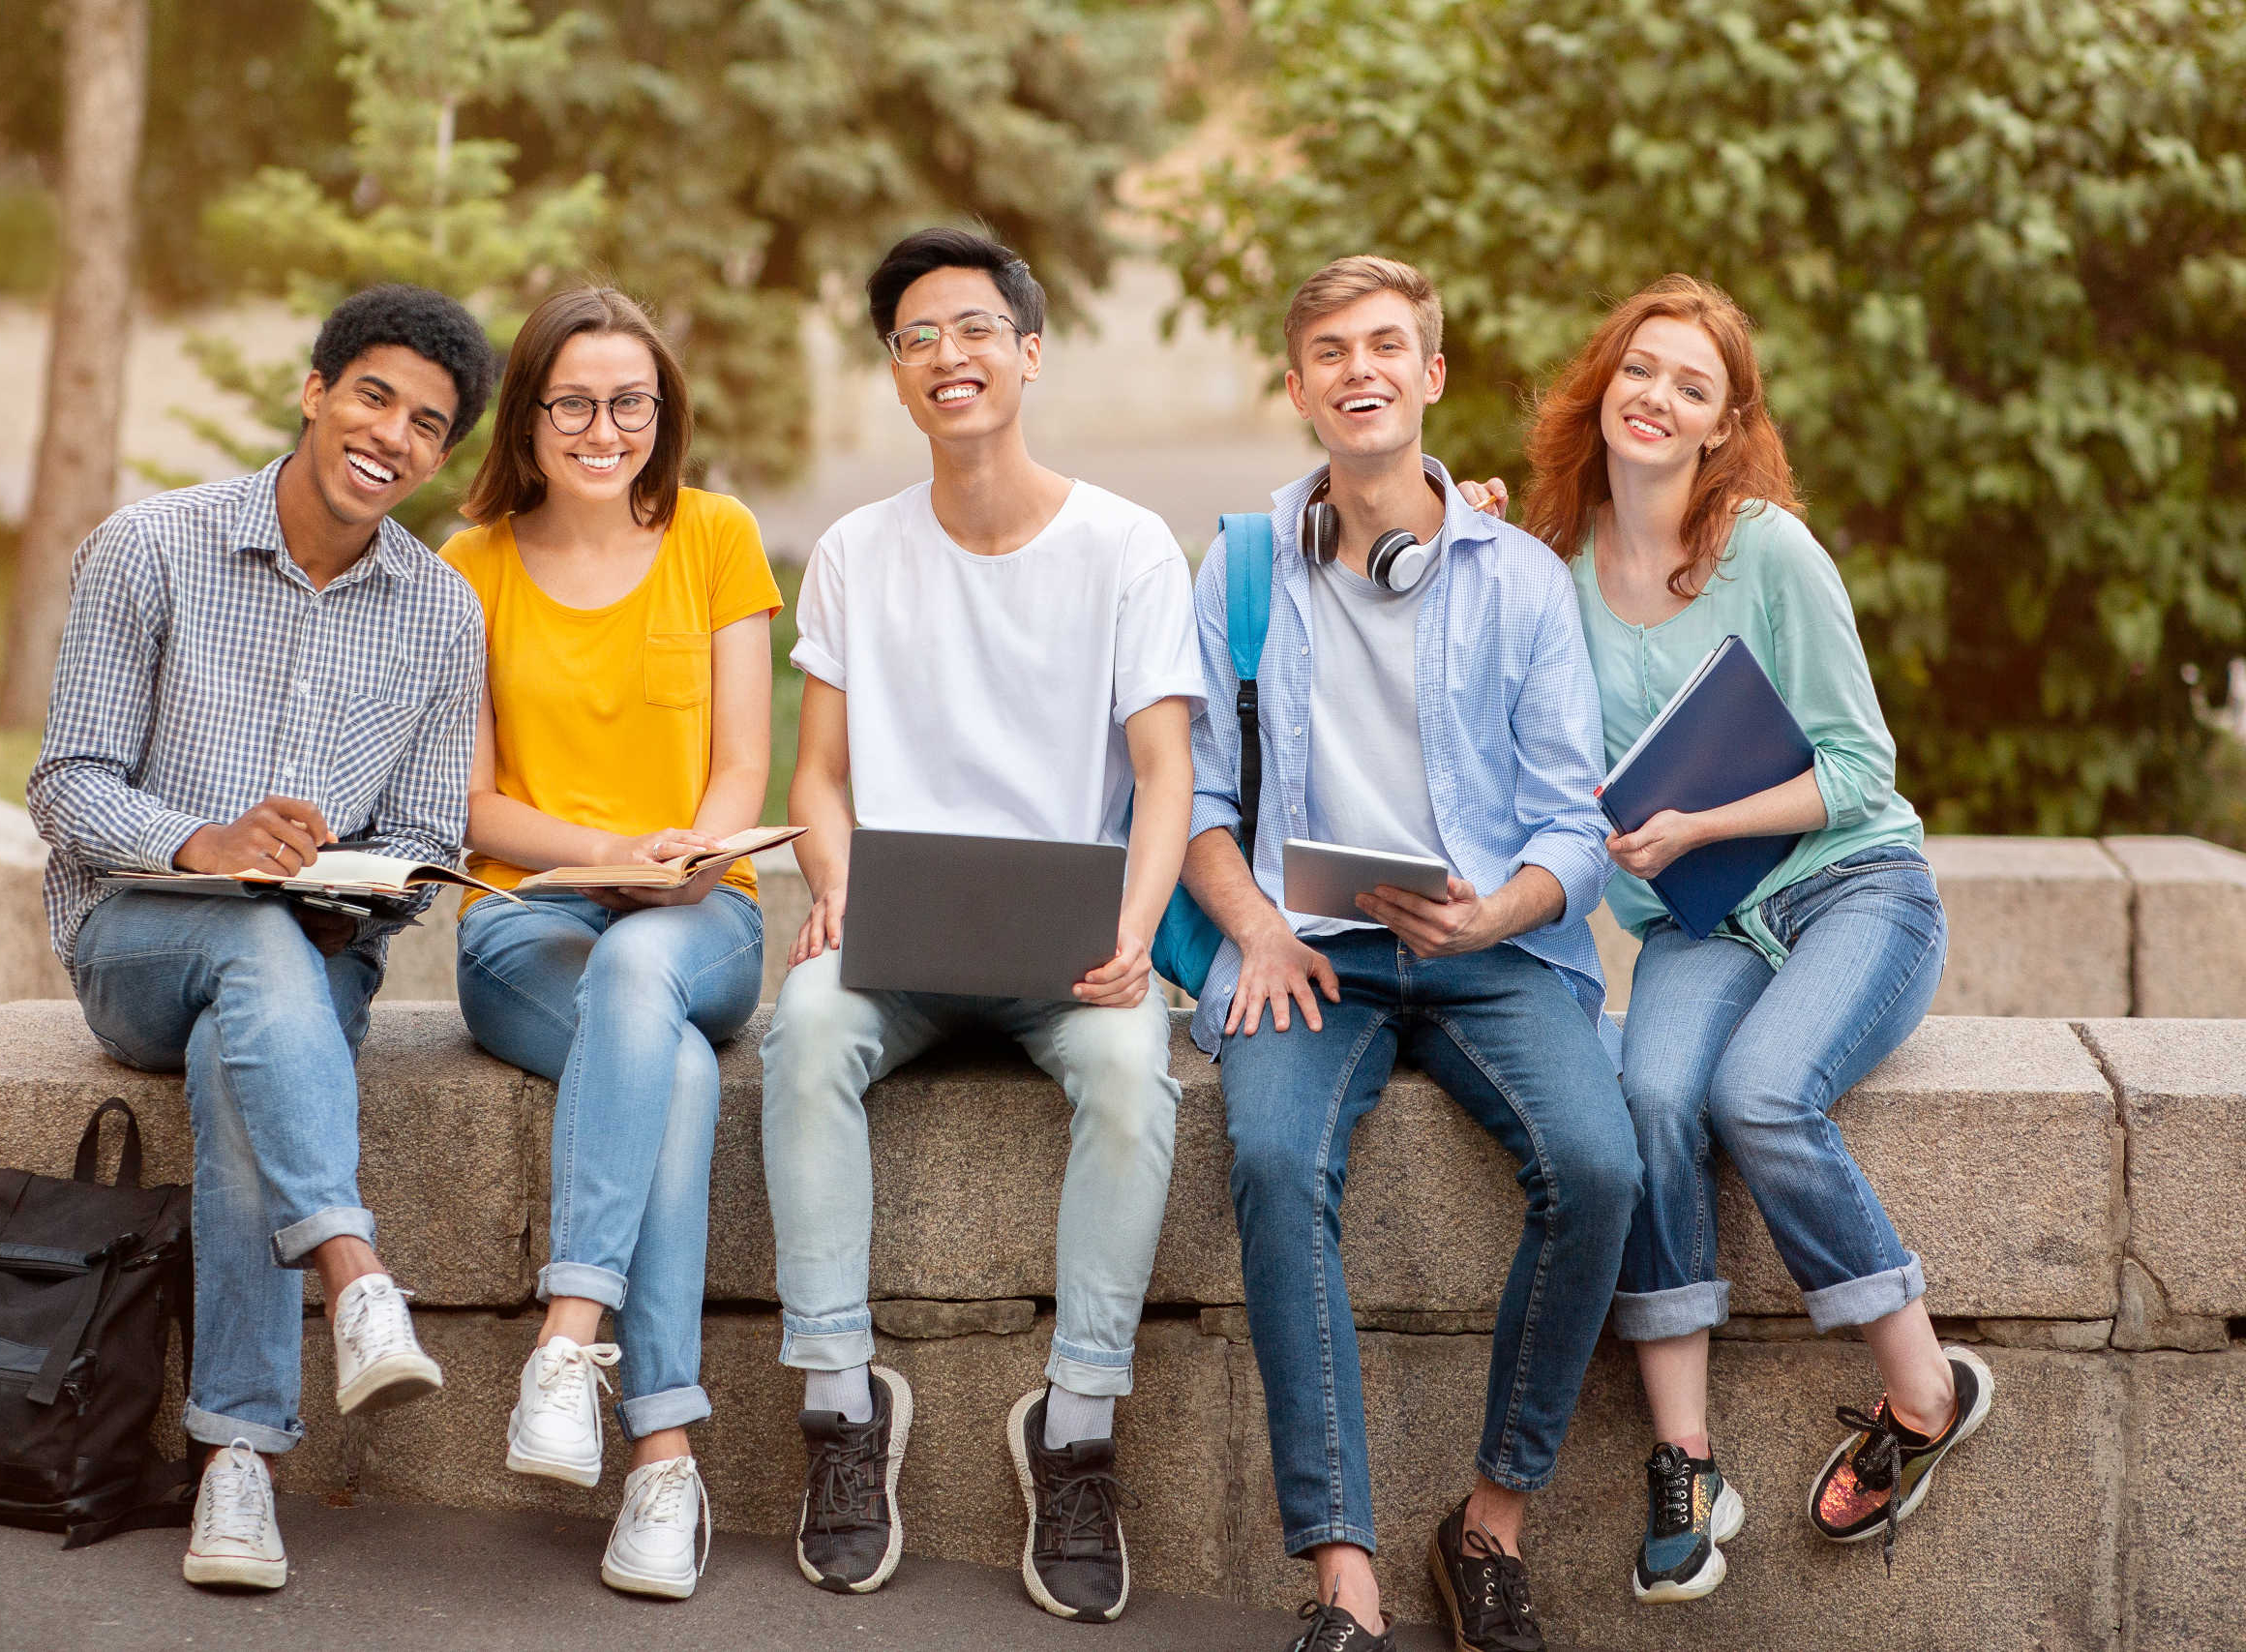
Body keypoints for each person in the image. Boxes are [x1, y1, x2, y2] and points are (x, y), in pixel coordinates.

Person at [1464, 272, 1988, 1604]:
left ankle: (1925, 1387)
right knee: (1643, 1092)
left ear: (1723, 425)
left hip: (1853, 892)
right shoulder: (1550, 564)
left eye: (1691, 387)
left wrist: (1693, 822)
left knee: (1758, 1095)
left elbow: (1861, 770)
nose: (1657, 398)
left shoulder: (1768, 550)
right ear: (1604, 385)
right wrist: (1458, 535)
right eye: (1640, 370)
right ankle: (1686, 1460)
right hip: (1703, 926)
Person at [1182, 256, 1639, 1652]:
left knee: (1604, 1167)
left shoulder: (1522, 582)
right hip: (1308, 946)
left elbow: (1577, 825)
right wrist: (1256, 925)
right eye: (1331, 350)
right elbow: (1202, 810)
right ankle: (1344, 1579)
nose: (1359, 368)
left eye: (1388, 345)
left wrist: (1496, 913)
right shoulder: (1245, 568)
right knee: (1269, 1161)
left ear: (1431, 376)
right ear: (1300, 386)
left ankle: (1486, 1529)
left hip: (1492, 947)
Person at [762, 226, 1203, 1623]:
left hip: (1071, 946)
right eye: (914, 338)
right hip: (898, 937)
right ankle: (841, 1404)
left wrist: (1136, 933)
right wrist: (832, 888)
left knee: (1137, 1071)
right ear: (896, 374)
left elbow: (1163, 773)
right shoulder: (854, 552)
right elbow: (817, 779)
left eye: (971, 329)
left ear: (1027, 350)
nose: (946, 356)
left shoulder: (1128, 547)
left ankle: (1074, 1429)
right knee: (804, 1028)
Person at [28, 285, 494, 1591]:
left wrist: (358, 884)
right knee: (246, 951)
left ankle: (238, 1468)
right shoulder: (151, 548)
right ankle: (353, 1277)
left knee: (265, 1002)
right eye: (374, 397)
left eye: (428, 424)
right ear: (315, 390)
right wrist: (208, 845)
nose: (393, 437)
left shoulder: (441, 614)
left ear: (441, 454)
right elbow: (66, 782)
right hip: (136, 938)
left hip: (310, 962)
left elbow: (417, 844)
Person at [442, 286, 780, 1600]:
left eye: (628, 401)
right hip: (524, 924)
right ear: (528, 417)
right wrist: (597, 860)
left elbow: (745, 760)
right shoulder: (466, 564)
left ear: (663, 413)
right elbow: (469, 804)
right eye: (571, 402)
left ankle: (566, 1338)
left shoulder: (717, 535)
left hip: (701, 914)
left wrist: (682, 857)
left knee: (647, 970)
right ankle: (662, 1458)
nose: (603, 426)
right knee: (676, 1073)